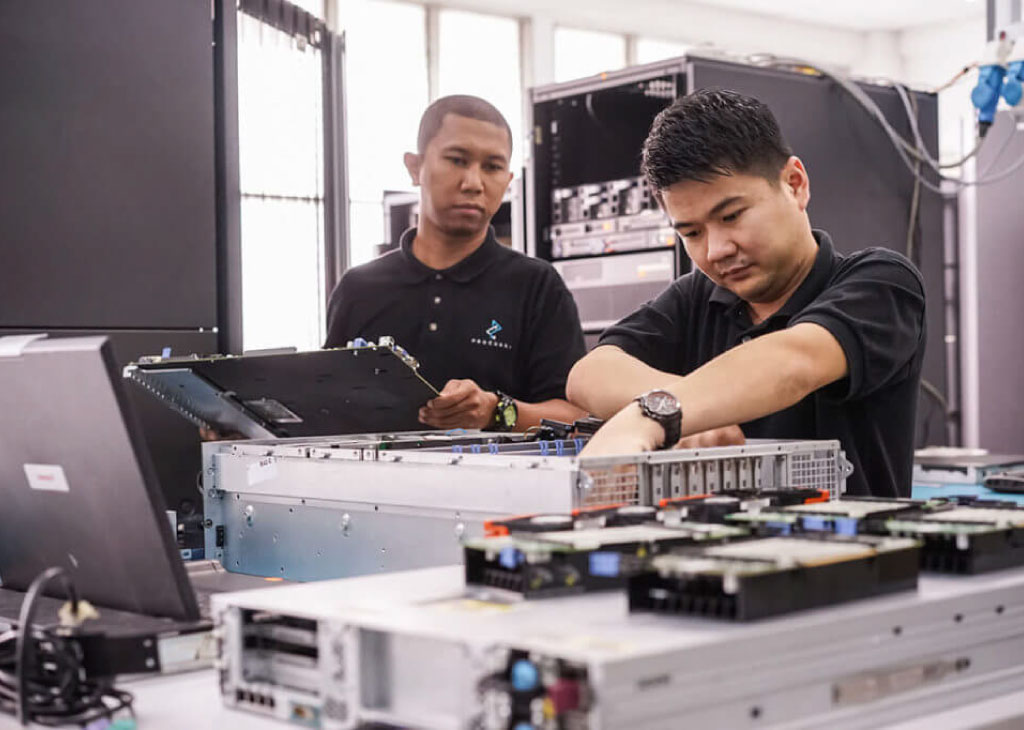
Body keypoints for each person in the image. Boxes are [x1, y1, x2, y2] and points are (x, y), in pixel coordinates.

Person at [567, 89, 925, 498]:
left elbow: (794, 361)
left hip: (855, 553)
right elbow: (589, 374)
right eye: (691, 232)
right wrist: (678, 408)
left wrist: (653, 417)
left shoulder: (882, 283)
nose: (716, 250)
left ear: (794, 184)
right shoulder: (697, 297)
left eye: (732, 216)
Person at [325, 95, 586, 432]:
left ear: (507, 180)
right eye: (457, 160)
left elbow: (577, 417)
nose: (474, 183)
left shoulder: (537, 286)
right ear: (415, 167)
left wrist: (498, 411)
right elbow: (326, 405)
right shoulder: (358, 288)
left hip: (500, 483)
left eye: (492, 167)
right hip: (370, 482)